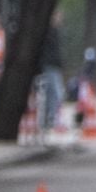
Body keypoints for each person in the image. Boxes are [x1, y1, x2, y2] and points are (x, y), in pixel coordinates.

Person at [36, 7, 66, 136]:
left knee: (52, 93)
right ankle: (50, 119)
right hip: (49, 66)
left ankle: (48, 119)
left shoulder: (55, 32)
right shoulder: (48, 32)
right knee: (54, 93)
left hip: (54, 66)